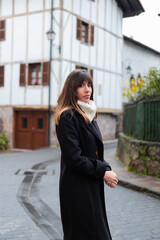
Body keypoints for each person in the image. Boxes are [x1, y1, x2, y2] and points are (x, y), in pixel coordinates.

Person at [55, 69, 118, 240]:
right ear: (72, 89)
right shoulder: (67, 117)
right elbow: (74, 159)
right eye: (81, 85)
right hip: (77, 189)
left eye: (89, 84)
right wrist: (103, 171)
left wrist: (105, 169)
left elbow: (95, 153)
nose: (87, 89)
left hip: (90, 185)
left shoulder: (89, 115)